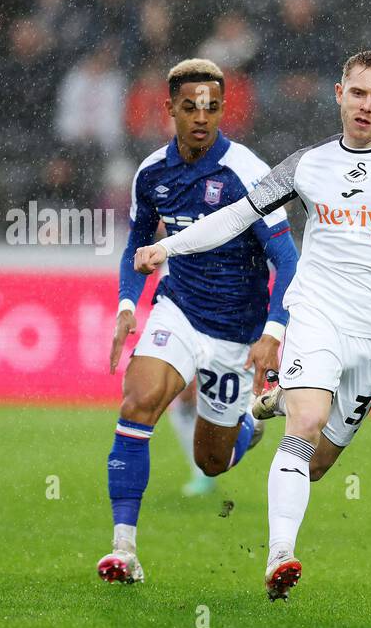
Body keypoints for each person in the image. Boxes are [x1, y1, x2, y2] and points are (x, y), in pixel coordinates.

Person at [133, 50, 371, 602]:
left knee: (316, 465)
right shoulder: (307, 164)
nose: (366, 105)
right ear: (339, 94)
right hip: (317, 315)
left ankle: (268, 403)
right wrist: (166, 244)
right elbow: (237, 216)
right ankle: (280, 556)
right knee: (306, 422)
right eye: (357, 93)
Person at [98, 58, 297, 585]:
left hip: (235, 331)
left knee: (211, 461)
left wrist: (272, 333)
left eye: (212, 107)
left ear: (223, 109)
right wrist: (125, 304)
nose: (202, 117)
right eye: (190, 107)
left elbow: (290, 261)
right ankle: (124, 550)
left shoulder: (250, 175)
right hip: (178, 310)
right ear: (169, 110)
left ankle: (248, 424)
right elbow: (138, 246)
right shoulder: (153, 175)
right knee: (137, 401)